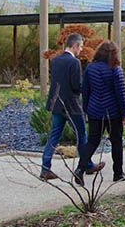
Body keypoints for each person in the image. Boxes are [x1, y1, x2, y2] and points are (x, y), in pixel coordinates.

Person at [40, 33, 101, 180]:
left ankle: (45, 168)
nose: (81, 50)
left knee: (54, 136)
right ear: (74, 46)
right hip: (72, 106)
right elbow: (75, 86)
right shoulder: (74, 63)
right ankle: (87, 164)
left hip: (57, 104)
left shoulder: (55, 60)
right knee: (81, 135)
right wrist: (88, 88)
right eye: (80, 46)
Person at [75, 41, 125, 185]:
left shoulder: (90, 68)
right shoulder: (116, 70)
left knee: (92, 141)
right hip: (113, 113)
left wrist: (86, 110)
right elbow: (121, 94)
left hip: (94, 111)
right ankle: (118, 173)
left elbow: (85, 91)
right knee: (116, 142)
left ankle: (80, 169)